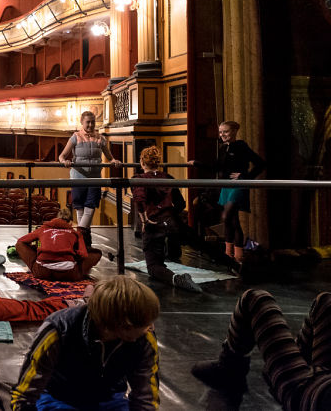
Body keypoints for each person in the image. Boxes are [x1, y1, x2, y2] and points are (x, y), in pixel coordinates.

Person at [9, 275, 161, 410]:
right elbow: (23, 397)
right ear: (123, 325)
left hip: (110, 401)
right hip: (59, 399)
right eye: (146, 324)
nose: (151, 328)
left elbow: (145, 398)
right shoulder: (59, 330)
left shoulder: (144, 338)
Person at [191, 289, 331, 410]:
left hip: (315, 395)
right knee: (326, 302)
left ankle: (229, 368)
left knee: (256, 300)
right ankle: (293, 370)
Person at [191, 120, 265, 264]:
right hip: (226, 187)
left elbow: (260, 163)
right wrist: (196, 163)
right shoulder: (224, 148)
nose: (222, 134)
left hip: (238, 186)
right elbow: (216, 168)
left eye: (225, 131)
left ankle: (238, 256)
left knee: (227, 216)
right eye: (220, 132)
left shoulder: (241, 146)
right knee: (231, 221)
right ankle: (229, 256)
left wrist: (244, 176)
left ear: (234, 132)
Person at [131, 146, 202, 293]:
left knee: (153, 266)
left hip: (154, 224)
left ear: (142, 163)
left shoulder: (139, 178)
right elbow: (181, 204)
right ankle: (236, 265)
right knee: (202, 244)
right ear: (158, 163)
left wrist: (144, 221)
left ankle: (176, 278)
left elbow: (139, 199)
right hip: (172, 223)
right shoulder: (168, 177)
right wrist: (170, 214)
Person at [58, 110, 121, 247]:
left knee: (90, 206)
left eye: (93, 122)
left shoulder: (101, 138)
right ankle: (85, 241)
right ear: (82, 123)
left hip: (95, 177)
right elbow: (62, 156)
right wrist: (65, 162)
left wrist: (114, 161)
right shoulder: (75, 137)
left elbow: (110, 158)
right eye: (88, 122)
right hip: (78, 176)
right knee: (80, 208)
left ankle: (78, 238)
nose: (91, 125)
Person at [14, 208, 102, 281]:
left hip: (42, 272)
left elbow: (21, 241)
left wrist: (35, 249)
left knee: (19, 245)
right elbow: (83, 254)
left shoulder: (43, 228)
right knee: (96, 253)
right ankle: (77, 273)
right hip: (69, 274)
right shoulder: (75, 233)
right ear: (71, 222)